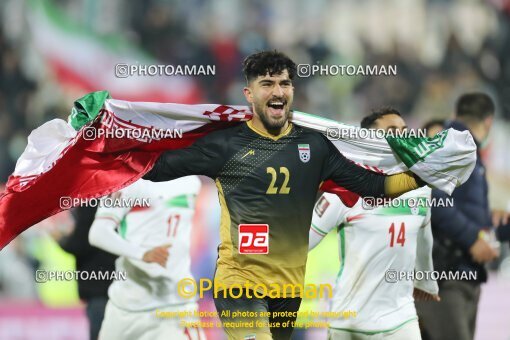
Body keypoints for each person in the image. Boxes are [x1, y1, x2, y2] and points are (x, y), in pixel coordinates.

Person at [143, 50, 425, 340]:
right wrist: (105, 147)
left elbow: (373, 186)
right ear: (249, 94)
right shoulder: (226, 145)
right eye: (267, 84)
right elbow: (158, 167)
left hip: (287, 290)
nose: (277, 91)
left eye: (284, 83)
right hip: (239, 284)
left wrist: (425, 174)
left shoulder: (314, 145)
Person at [309, 108, 439, 340]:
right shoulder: (344, 189)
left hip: (401, 318)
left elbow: (424, 235)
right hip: (350, 321)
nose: (402, 138)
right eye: (392, 132)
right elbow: (302, 241)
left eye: (404, 131)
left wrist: (426, 281)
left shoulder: (420, 187)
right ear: (368, 141)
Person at [416, 93, 499, 340]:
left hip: (459, 274)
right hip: (445, 276)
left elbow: (463, 210)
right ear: (489, 122)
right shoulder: (454, 145)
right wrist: (473, 239)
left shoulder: (464, 148)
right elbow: (433, 199)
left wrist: (491, 231)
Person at [88, 176, 205, 340]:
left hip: (174, 304)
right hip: (126, 307)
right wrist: (142, 254)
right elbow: (98, 233)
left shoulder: (191, 182)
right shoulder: (127, 180)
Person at [59, 206, 117, 340]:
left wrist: (60, 239)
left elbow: (79, 243)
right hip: (116, 284)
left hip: (98, 288)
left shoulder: (91, 204)